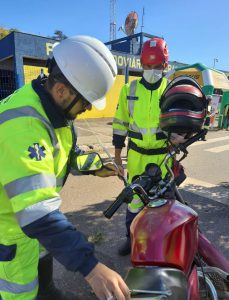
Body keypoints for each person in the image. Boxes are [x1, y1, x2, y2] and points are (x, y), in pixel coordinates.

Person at [0, 35, 130, 300]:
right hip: (10, 238)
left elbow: (65, 154)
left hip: (33, 236)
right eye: (85, 101)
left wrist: (96, 166)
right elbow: (38, 212)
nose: (87, 108)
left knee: (46, 290)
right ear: (62, 90)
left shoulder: (53, 110)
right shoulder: (24, 127)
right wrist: (91, 267)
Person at [112, 37, 186, 256]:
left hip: (164, 157)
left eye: (156, 66)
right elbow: (119, 124)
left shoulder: (172, 90)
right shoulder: (128, 89)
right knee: (134, 201)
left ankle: (161, 245)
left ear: (165, 66)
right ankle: (132, 239)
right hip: (135, 157)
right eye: (147, 66)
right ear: (141, 64)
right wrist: (117, 157)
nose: (151, 70)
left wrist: (179, 136)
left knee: (164, 202)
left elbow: (180, 121)